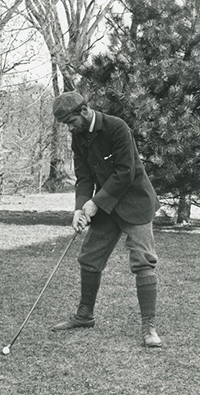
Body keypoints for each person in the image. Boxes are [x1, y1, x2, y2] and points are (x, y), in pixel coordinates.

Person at [48, 90, 162, 349]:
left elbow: (126, 172)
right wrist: (79, 208)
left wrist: (95, 202)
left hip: (136, 202)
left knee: (143, 261)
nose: (69, 128)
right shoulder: (78, 137)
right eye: (65, 124)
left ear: (84, 111)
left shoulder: (116, 127)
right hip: (108, 206)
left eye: (70, 121)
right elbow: (84, 176)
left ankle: (149, 328)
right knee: (89, 258)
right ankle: (85, 315)